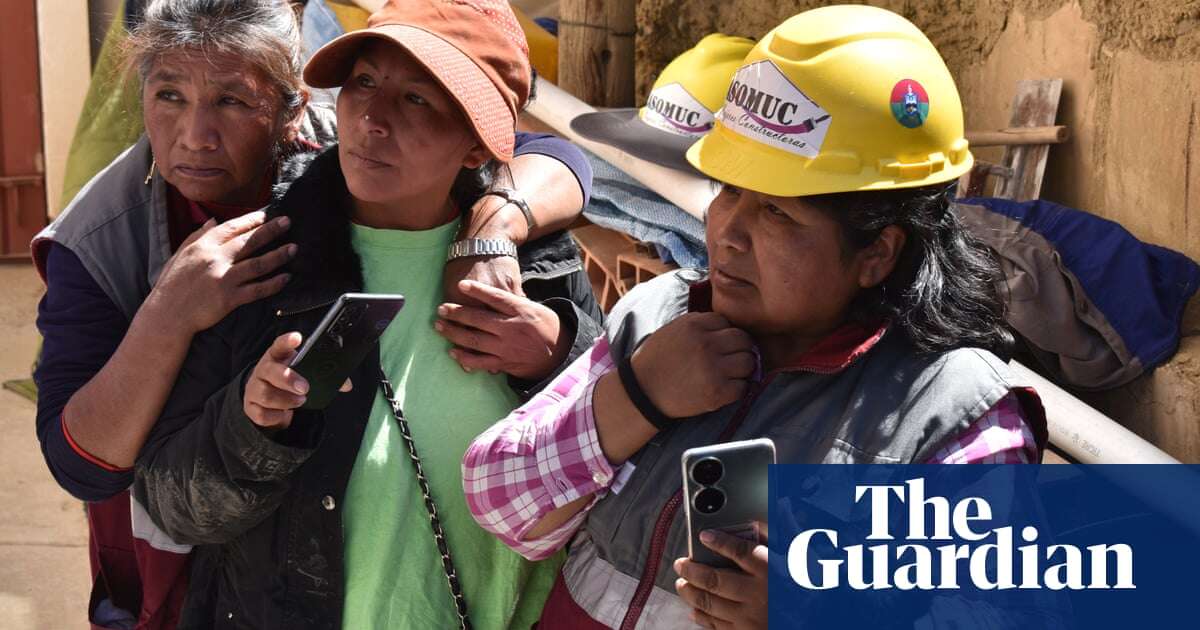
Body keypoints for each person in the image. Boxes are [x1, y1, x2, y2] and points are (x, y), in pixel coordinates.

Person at [463, 6, 1051, 629]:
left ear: (877, 252)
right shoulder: (657, 318)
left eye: (778, 214)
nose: (728, 234)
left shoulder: (957, 418)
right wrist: (636, 397)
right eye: (731, 191)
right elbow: (502, 505)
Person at [32, 0, 595, 627]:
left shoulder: (529, 256)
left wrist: (506, 252)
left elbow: (551, 154)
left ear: (294, 110)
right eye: (168, 95)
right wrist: (174, 319)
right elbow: (95, 469)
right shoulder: (158, 248)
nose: (195, 136)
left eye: (232, 101)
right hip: (176, 577)